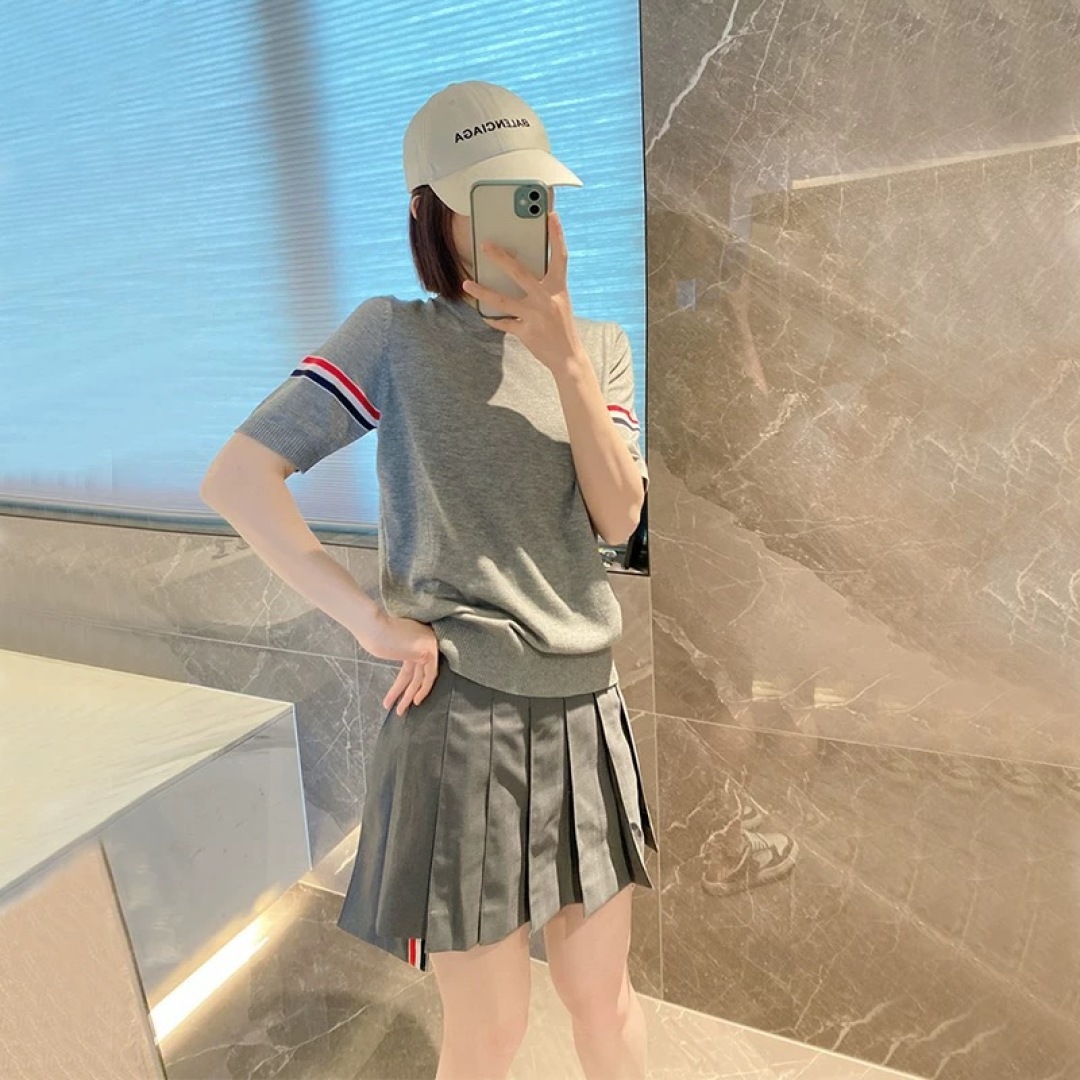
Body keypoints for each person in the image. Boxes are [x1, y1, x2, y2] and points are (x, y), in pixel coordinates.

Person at [200, 79, 658, 1080]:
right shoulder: (394, 337)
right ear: (431, 212)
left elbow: (620, 519)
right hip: (461, 721)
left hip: (587, 708)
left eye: (532, 195)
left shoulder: (603, 349)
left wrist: (565, 357)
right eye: (485, 196)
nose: (516, 217)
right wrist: (369, 621)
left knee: (605, 1000)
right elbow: (238, 477)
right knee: (489, 1032)